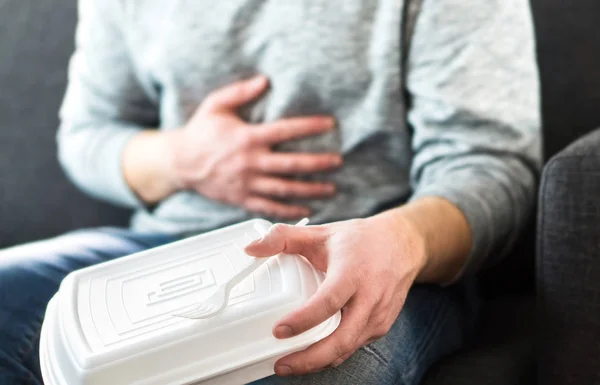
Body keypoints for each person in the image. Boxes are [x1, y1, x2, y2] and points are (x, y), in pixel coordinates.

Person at [0, 0, 540, 384]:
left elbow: (491, 165)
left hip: (367, 255)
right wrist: (182, 158)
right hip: (166, 249)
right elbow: (88, 134)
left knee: (307, 369)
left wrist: (401, 238)